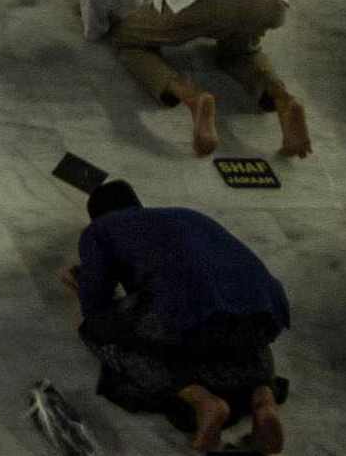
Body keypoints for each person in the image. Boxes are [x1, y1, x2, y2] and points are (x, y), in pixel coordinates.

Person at [64, 180, 287, 452]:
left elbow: (96, 302)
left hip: (189, 308)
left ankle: (202, 401)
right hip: (266, 305)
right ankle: (263, 399)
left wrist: (81, 286)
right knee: (243, 336)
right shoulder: (186, 214)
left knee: (98, 330)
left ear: (96, 215)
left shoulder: (99, 229)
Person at [76, 0, 308, 160]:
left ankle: (193, 98)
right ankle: (283, 99)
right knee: (242, 53)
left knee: (126, 41)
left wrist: (95, 30)